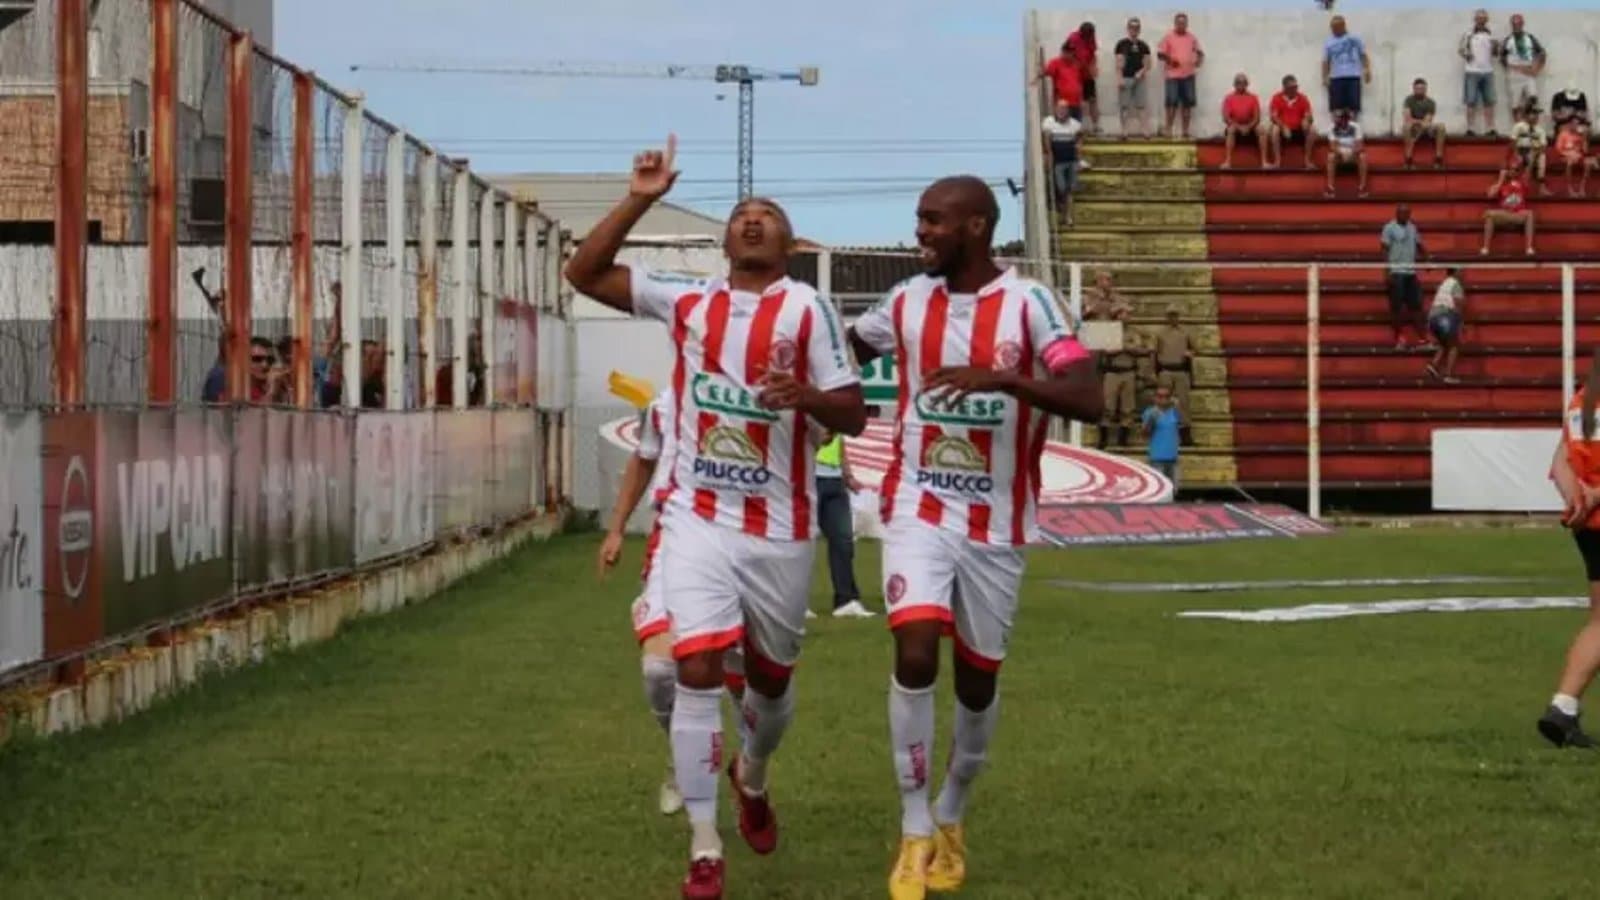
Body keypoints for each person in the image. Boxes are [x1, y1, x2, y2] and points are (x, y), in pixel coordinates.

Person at [563, 135, 867, 900]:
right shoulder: (688, 299)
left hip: (780, 529)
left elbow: (854, 412)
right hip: (698, 519)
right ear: (726, 241)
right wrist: (639, 200)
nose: (752, 219)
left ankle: (751, 777)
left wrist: (806, 397)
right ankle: (705, 846)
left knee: (769, 688)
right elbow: (584, 274)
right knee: (692, 669)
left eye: (768, 214)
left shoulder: (810, 310)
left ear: (789, 243)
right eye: (740, 214)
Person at [846, 175, 1101, 900]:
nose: (921, 233)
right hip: (916, 506)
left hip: (997, 522)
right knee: (914, 649)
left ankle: (952, 814)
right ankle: (914, 829)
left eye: (934, 221)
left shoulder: (1031, 304)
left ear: (978, 226)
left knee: (977, 680)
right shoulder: (905, 301)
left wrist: (1005, 379)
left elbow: (1087, 394)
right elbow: (845, 352)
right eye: (920, 219)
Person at [597, 388, 750, 817]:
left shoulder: (754, 396)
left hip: (747, 539)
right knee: (660, 670)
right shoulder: (665, 403)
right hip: (676, 539)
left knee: (743, 675)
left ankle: (750, 772)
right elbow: (644, 460)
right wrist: (616, 529)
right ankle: (683, 757)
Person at [1539, 355, 1600, 749]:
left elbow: (1560, 459)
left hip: (1589, 524)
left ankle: (1563, 707)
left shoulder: (1583, 401)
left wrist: (1576, 498)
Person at [815, 430, 873, 618]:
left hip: (835, 479)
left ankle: (846, 600)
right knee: (802, 542)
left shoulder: (833, 414)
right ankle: (795, 602)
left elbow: (839, 444)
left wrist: (848, 476)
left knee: (843, 541)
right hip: (809, 475)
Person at [1380, 204, 1427, 349]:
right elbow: (1384, 250)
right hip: (1396, 272)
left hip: (1410, 272)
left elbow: (1419, 245)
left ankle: (1423, 339)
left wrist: (1427, 259)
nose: (1405, 215)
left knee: (1416, 306)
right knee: (1396, 307)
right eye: (1402, 213)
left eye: (1407, 213)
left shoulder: (1412, 228)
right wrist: (1387, 272)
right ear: (1397, 213)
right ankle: (1399, 339)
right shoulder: (1389, 228)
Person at [1151, 306, 1194, 446]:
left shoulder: (1186, 332)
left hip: (1181, 370)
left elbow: (1194, 348)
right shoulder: (1160, 333)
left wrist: (1190, 353)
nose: (1173, 318)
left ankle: (1185, 434)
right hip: (1166, 370)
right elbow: (1154, 353)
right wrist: (1153, 372)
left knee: (1183, 403)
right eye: (1170, 315)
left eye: (1175, 315)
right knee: (1163, 403)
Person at [1156, 12, 1203, 138]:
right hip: (1173, 76)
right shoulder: (1168, 37)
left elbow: (1199, 52)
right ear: (1175, 23)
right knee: (1171, 103)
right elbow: (1160, 54)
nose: (1181, 25)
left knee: (1187, 104)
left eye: (1184, 23)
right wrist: (1170, 60)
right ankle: (1168, 130)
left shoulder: (1192, 38)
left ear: (1186, 24)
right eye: (1179, 23)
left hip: (1188, 75)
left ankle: (1185, 131)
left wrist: (1199, 60)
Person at [1480, 160, 1536, 256]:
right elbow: (1490, 195)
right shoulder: (1500, 184)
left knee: (1530, 214)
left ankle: (1529, 248)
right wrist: (1500, 180)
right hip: (1504, 214)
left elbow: (1528, 169)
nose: (1513, 171)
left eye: (1516, 169)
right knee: (1489, 216)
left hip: (1518, 214)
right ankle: (1485, 248)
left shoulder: (1522, 182)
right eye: (1511, 169)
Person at [1041, 101, 1084, 224]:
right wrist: (1048, 155)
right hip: (1058, 162)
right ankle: (1061, 209)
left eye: (1064, 108)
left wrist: (1079, 157)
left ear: (1068, 111)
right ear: (1055, 109)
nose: (1062, 111)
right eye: (1060, 108)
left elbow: (1080, 138)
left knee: (1069, 190)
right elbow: (1046, 140)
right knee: (1061, 188)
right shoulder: (1049, 122)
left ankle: (1067, 216)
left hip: (1071, 160)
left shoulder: (1075, 124)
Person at [1459, 9, 1499, 136]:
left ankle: (1490, 128)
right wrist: (1467, 54)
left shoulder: (1491, 34)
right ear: (1475, 19)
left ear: (1486, 20)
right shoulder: (1468, 34)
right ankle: (1470, 128)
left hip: (1488, 71)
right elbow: (1461, 49)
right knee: (1470, 100)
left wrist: (1496, 47)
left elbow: (1495, 54)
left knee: (1489, 101)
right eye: (1479, 18)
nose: (1481, 20)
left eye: (1483, 18)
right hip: (1472, 71)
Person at [1321, 15, 1370, 117]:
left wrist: (1367, 70)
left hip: (1353, 76)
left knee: (1353, 108)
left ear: (1343, 26)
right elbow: (1326, 61)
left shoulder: (1355, 39)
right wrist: (1325, 77)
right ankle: (1338, 126)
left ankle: (1352, 124)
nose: (1333, 30)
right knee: (1336, 109)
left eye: (1336, 27)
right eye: (1332, 27)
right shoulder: (1329, 42)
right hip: (1336, 78)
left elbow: (1363, 55)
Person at [1113, 17, 1152, 137]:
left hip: (1140, 79)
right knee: (1124, 106)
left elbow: (1148, 64)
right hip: (1126, 78)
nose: (1134, 30)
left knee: (1141, 105)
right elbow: (1119, 63)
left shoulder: (1144, 45)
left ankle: (1144, 130)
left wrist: (1141, 72)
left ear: (1139, 29)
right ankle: (1124, 130)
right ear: (1128, 28)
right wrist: (1119, 78)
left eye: (1136, 28)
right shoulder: (1121, 44)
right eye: (1132, 27)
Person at [1425, 268, 1465, 383]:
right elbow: (1458, 305)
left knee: (1444, 343)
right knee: (1454, 345)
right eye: (1460, 271)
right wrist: (1461, 324)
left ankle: (1433, 365)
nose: (1462, 273)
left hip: (1432, 319)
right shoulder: (1456, 284)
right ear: (1455, 272)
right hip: (1444, 317)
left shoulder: (1444, 283)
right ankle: (1448, 375)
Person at [1220, 72, 1267, 169]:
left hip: (1250, 125)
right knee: (1231, 130)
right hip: (1235, 125)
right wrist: (1239, 127)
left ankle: (1264, 161)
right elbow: (1226, 118)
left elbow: (1257, 117)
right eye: (1238, 83)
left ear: (1247, 84)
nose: (1241, 85)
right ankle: (1228, 161)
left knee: (1261, 129)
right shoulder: (1229, 98)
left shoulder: (1253, 97)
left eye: (1243, 83)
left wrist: (1248, 127)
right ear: (1234, 84)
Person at [1500, 14, 1546, 114]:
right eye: (1514, 24)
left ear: (1522, 24)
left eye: (1518, 24)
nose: (1516, 26)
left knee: (1533, 99)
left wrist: (1537, 68)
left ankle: (1530, 120)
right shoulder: (1508, 40)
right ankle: (1518, 123)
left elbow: (1542, 53)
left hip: (1528, 73)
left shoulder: (1530, 38)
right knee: (1515, 105)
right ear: (1511, 25)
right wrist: (1512, 67)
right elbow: (1502, 57)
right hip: (1514, 75)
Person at [1268, 74, 1316, 169]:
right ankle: (1277, 161)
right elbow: (1274, 117)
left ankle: (1307, 160)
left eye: (1295, 87)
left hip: (1299, 128)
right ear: (1285, 88)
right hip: (1283, 129)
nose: (1294, 89)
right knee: (1275, 130)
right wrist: (1283, 127)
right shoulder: (1277, 98)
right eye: (1291, 87)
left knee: (1313, 130)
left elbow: (1309, 116)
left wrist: (1307, 120)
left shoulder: (1302, 98)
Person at [1401, 78, 1446, 169]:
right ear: (1414, 89)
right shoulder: (1408, 100)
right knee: (1406, 127)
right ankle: (1408, 158)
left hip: (1427, 128)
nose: (1419, 91)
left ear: (1425, 89)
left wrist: (1419, 122)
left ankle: (1439, 158)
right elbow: (1407, 118)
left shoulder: (1431, 102)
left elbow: (1427, 120)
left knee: (1441, 127)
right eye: (1417, 89)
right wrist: (1418, 122)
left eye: (1422, 89)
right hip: (1414, 127)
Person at [1063, 22, 1100, 133]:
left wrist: (1093, 67)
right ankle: (1077, 126)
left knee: (1092, 100)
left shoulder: (1091, 38)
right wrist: (1074, 68)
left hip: (1087, 74)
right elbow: (1066, 54)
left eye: (1091, 36)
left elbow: (1093, 55)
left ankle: (1095, 126)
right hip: (1075, 74)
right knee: (1077, 101)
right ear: (1082, 33)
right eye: (1087, 36)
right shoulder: (1073, 38)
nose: (1089, 38)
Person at [1141, 384, 1181, 486]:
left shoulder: (1174, 412)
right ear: (1155, 398)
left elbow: (1182, 424)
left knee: (1174, 490)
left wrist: (1177, 405)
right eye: (1160, 396)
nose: (1163, 399)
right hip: (1157, 459)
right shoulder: (1150, 412)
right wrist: (1151, 421)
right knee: (1161, 488)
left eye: (1166, 396)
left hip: (1173, 459)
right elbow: (1144, 435)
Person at [1323, 109, 1368, 198]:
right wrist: (1342, 153)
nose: (1342, 120)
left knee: (1363, 157)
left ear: (1348, 119)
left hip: (1352, 154)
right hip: (1339, 155)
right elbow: (1333, 146)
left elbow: (1359, 145)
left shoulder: (1356, 127)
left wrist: (1351, 153)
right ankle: (1330, 188)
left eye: (1345, 118)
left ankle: (1362, 188)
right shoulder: (1332, 128)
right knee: (1330, 156)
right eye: (1340, 118)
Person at [1036, 40, 1084, 119]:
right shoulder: (1055, 63)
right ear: (1063, 52)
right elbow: (1045, 72)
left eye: (1072, 51)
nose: (1070, 54)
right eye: (1068, 51)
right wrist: (1037, 75)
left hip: (1076, 104)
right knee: (1062, 125)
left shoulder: (1077, 65)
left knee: (1076, 125)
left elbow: (1079, 82)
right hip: (1062, 104)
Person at [1509, 103, 1551, 194]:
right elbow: (1513, 142)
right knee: (1517, 161)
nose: (1536, 116)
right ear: (1527, 114)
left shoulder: (1540, 130)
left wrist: (1534, 154)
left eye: (1537, 114)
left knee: (1542, 157)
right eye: (1534, 113)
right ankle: (1513, 186)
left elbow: (1543, 146)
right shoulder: (1519, 126)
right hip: (1520, 151)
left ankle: (1542, 187)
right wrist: (1516, 154)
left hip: (1535, 152)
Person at [1554, 118, 1597, 198]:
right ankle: (1570, 189)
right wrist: (1570, 154)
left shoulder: (1580, 135)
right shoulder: (1563, 134)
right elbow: (1559, 149)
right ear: (1569, 125)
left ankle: (1582, 189)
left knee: (1588, 163)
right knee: (1570, 162)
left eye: (1577, 124)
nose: (1575, 126)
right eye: (1573, 124)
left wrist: (1584, 137)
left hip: (1578, 156)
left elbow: (1585, 151)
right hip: (1566, 156)